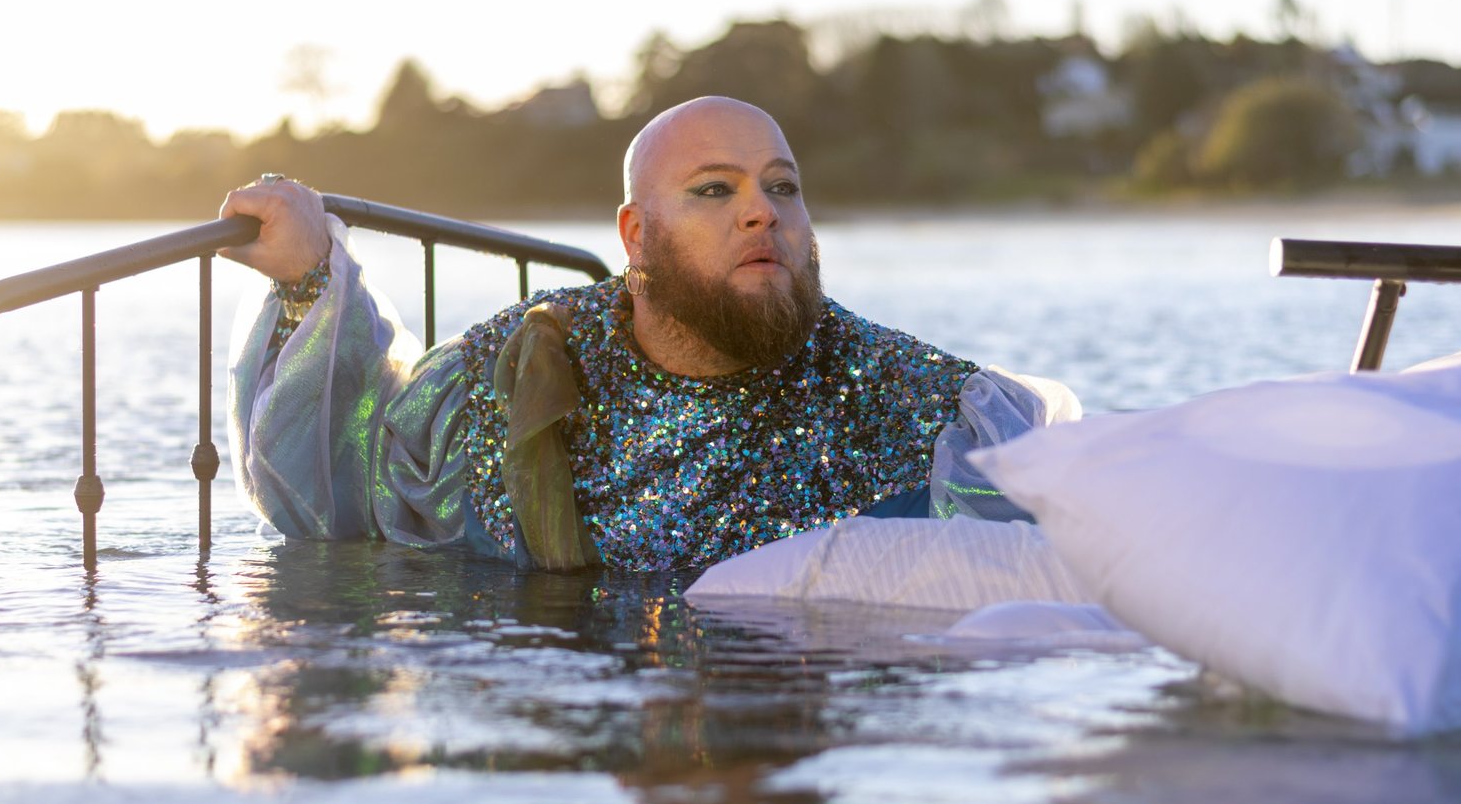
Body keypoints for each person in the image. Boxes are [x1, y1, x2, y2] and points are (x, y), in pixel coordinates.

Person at [219, 96, 1070, 571]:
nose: (759, 210)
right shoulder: (522, 364)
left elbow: (1052, 563)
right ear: (634, 235)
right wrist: (308, 275)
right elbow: (344, 487)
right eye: (714, 189)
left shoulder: (924, 407)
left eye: (783, 187)